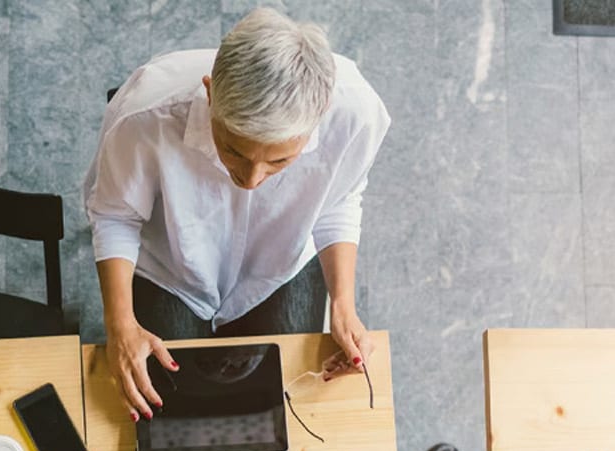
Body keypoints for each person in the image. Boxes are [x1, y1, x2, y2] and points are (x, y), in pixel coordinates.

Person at [84, 7, 391, 421]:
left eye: (279, 161)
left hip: (281, 267)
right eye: (233, 150)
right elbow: (115, 215)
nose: (250, 179)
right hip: (170, 269)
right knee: (168, 401)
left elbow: (340, 201)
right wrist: (120, 323)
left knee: (282, 396)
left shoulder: (357, 117)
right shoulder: (145, 113)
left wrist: (343, 302)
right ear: (210, 94)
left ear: (319, 118)